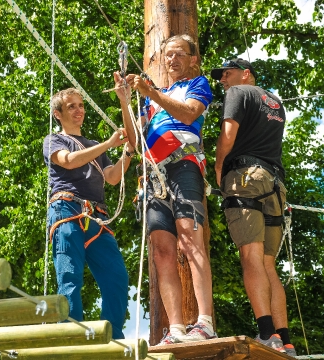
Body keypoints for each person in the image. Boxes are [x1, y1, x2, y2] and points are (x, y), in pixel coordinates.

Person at [114, 34, 215, 344]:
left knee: (190, 239)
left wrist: (150, 91)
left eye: (179, 54)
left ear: (192, 60)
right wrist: (125, 101)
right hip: (152, 176)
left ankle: (205, 322)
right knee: (161, 251)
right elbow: (133, 140)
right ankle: (175, 328)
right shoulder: (150, 99)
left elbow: (187, 114)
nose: (172, 60)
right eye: (167, 55)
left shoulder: (197, 85)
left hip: (183, 165)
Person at [211, 58, 296, 356]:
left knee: (251, 256)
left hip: (245, 177)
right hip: (275, 185)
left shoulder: (238, 93)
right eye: (221, 77)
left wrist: (219, 168)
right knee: (268, 264)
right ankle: (285, 340)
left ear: (246, 74)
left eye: (228, 74)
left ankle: (266, 334)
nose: (223, 80)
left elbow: (228, 135)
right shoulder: (275, 103)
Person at [44, 88, 134, 340]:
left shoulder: (94, 146)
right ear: (58, 114)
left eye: (81, 105)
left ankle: (112, 336)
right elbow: (69, 160)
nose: (79, 110)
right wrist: (109, 143)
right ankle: (72, 335)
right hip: (67, 209)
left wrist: (126, 153)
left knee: (117, 277)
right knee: (69, 276)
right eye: (71, 106)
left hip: (96, 216)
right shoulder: (53, 140)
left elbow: (112, 178)